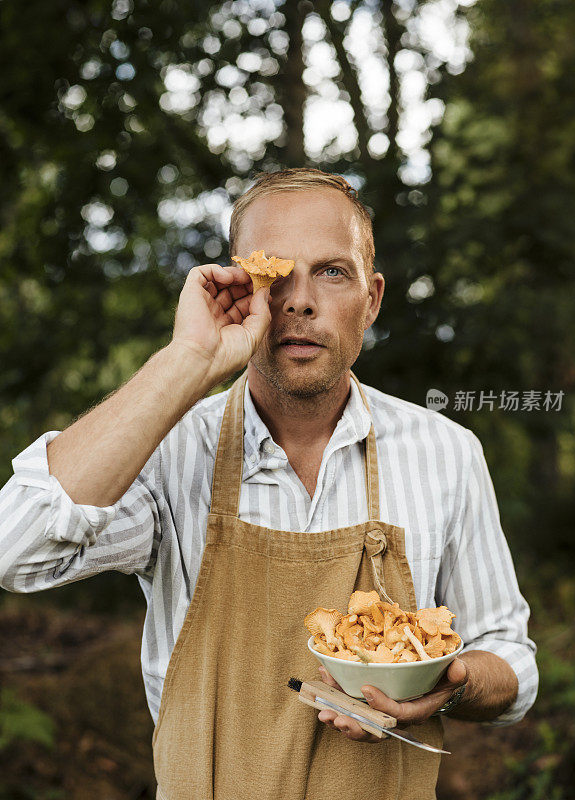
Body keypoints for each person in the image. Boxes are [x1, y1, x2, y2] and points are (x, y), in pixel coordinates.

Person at [0, 168, 538, 799]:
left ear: (373, 299)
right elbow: (16, 548)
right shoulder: (172, 450)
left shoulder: (447, 453)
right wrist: (186, 362)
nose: (299, 301)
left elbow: (512, 662)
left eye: (332, 272)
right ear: (238, 288)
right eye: (274, 276)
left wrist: (446, 680)